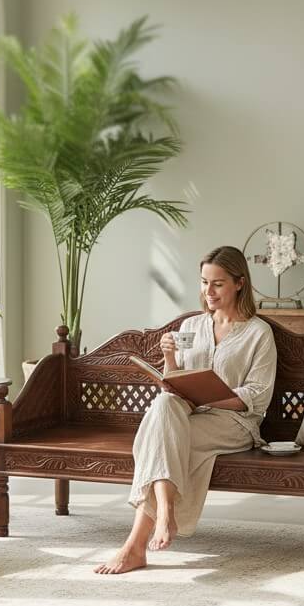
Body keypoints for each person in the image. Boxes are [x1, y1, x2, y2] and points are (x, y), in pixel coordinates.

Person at [95, 246, 277, 575]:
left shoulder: (258, 333)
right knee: (165, 405)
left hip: (234, 423)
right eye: (204, 282)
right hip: (186, 415)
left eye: (218, 284)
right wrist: (168, 360)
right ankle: (164, 514)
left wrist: (208, 398)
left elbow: (258, 395)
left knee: (161, 436)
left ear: (239, 283)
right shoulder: (191, 326)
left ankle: (135, 545)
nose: (208, 291)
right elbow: (174, 385)